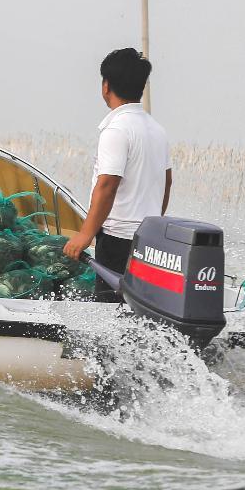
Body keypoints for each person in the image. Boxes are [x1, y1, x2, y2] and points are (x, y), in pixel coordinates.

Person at [62, 48, 172, 302]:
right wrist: (151, 222)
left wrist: (85, 234)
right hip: (148, 238)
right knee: (137, 309)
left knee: (111, 312)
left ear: (106, 86)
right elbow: (166, 184)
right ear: (141, 87)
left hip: (117, 240)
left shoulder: (117, 129)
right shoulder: (157, 130)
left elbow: (107, 185)